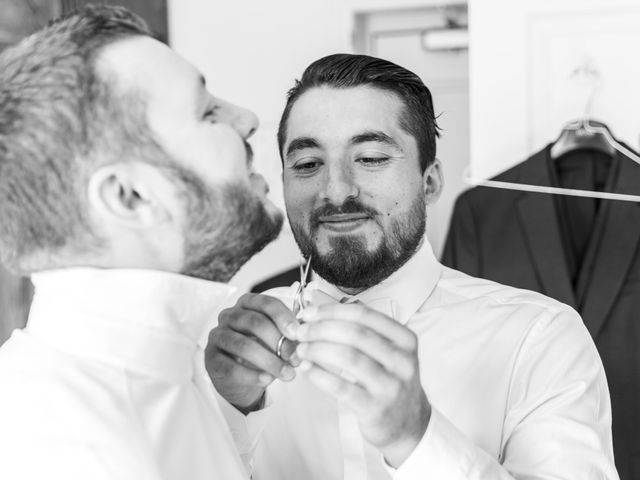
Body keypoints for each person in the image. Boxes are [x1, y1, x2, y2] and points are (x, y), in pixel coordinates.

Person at [206, 53, 619, 479]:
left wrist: (416, 439)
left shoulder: (539, 338)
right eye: (308, 164)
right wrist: (230, 411)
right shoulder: (229, 347)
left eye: (370, 158)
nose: (336, 191)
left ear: (430, 182)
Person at [0, 5, 283, 480]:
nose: (248, 119)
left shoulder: (174, 370)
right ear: (129, 197)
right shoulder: (69, 454)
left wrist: (231, 413)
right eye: (207, 112)